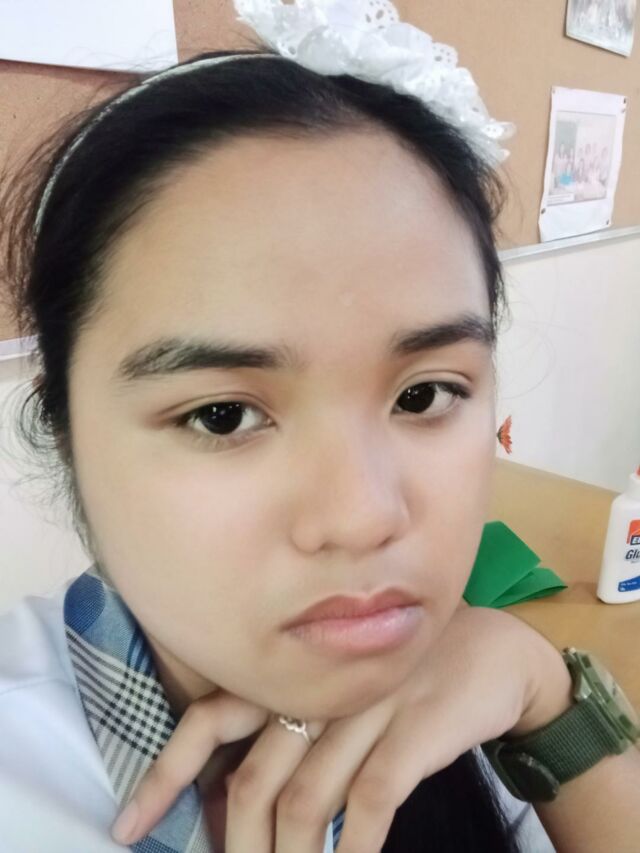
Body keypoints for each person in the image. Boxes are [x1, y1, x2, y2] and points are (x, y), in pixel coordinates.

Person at [1, 2, 639, 852]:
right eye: (223, 415)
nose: (364, 517)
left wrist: (548, 702)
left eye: (424, 394)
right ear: (64, 427)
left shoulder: (482, 704)